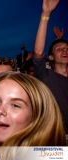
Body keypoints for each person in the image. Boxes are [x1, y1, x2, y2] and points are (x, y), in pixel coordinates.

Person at [33, 0, 68, 132]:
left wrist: (59, 41)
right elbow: (38, 52)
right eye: (59, 49)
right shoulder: (46, 76)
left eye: (67, 49)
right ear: (51, 58)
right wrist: (46, 13)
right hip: (55, 138)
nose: (65, 51)